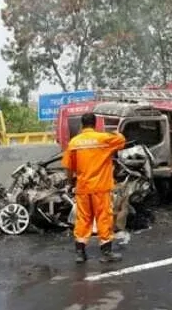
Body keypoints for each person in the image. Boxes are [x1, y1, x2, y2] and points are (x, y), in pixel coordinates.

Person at [61, 112, 126, 264]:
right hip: (101, 188)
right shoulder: (103, 139)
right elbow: (122, 139)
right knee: (103, 217)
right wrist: (111, 132)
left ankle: (80, 253)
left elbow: (68, 168)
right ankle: (106, 252)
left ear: (82, 125)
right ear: (95, 124)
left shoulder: (74, 142)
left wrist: (70, 183)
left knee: (83, 219)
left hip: (83, 187)